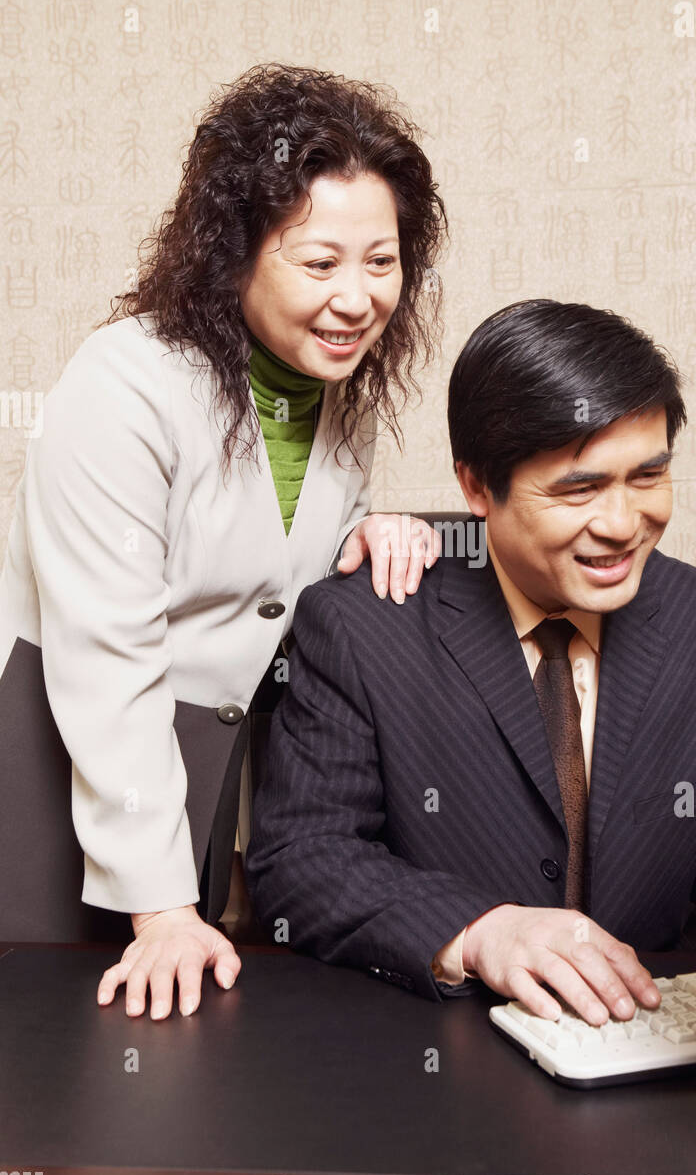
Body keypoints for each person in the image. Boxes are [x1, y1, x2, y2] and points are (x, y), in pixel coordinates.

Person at [0, 63, 447, 1019]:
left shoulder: (334, 396)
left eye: (383, 261)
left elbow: (279, 568)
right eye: (319, 262)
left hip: (198, 765)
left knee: (167, 1068)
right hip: (51, 747)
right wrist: (161, 906)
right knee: (41, 1048)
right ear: (231, 252)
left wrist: (376, 528)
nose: (360, 297)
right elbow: (108, 655)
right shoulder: (122, 384)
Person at [245, 298, 696, 1023]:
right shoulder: (364, 627)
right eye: (579, 488)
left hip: (655, 1052)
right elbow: (301, 861)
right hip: (438, 1061)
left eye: (647, 477)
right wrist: (482, 930)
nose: (623, 524)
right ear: (476, 486)